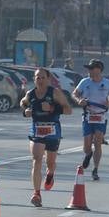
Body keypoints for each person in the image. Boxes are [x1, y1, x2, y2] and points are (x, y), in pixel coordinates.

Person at [21, 67, 71, 207]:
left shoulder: (54, 93)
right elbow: (23, 102)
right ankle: (36, 193)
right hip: (37, 130)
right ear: (34, 79)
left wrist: (52, 108)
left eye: (43, 77)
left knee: (50, 163)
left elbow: (68, 110)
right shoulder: (31, 94)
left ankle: (50, 174)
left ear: (48, 79)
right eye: (38, 77)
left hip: (53, 130)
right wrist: (26, 111)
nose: (40, 80)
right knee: (36, 160)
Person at [72, 59, 109, 180]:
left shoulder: (107, 83)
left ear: (98, 70)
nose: (89, 71)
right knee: (86, 146)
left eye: (91, 69)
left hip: (101, 115)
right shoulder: (85, 81)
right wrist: (79, 101)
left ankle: (95, 169)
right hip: (88, 115)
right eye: (88, 69)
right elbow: (75, 93)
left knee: (98, 142)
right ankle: (88, 154)